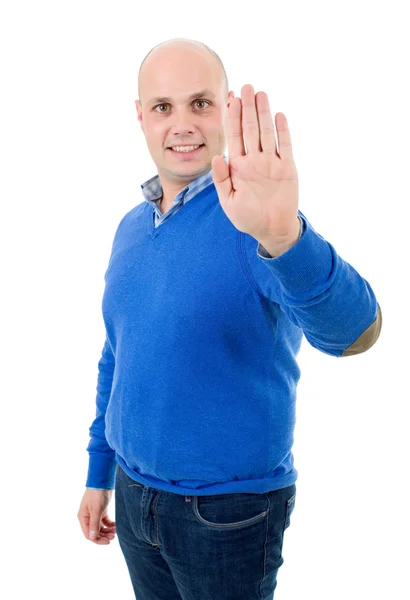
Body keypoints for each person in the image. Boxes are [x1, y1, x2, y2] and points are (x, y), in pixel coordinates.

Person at [77, 37, 382, 599]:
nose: (183, 124)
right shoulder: (130, 227)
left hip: (226, 515)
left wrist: (284, 236)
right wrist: (101, 473)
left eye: (201, 103)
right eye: (164, 107)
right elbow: (118, 355)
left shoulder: (254, 219)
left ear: (226, 109)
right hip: (135, 497)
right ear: (141, 117)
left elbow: (356, 332)